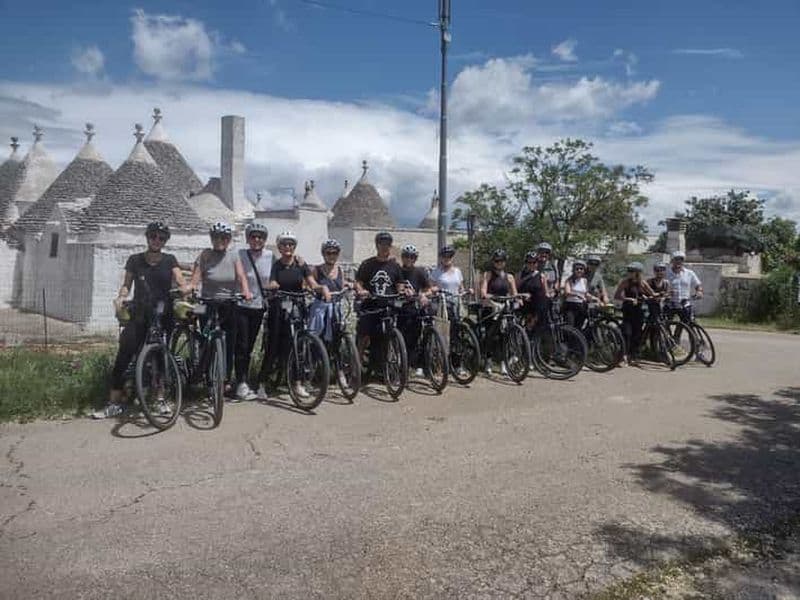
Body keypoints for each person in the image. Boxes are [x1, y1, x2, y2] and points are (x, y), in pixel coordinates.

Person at [93, 222, 188, 419]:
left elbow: (179, 280)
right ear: (147, 237)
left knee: (161, 355)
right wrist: (121, 297)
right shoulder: (135, 260)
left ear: (165, 241)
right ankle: (114, 402)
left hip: (163, 312)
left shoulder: (170, 260)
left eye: (161, 238)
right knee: (125, 353)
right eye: (153, 236)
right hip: (140, 311)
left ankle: (160, 399)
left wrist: (185, 289)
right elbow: (126, 285)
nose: (157, 240)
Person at [189, 221, 252, 395]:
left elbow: (241, 276)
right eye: (216, 237)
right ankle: (207, 378)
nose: (220, 240)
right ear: (211, 238)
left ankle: (224, 380)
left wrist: (246, 291)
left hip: (229, 303)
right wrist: (193, 287)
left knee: (229, 344)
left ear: (229, 239)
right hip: (207, 302)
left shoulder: (233, 256)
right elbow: (196, 278)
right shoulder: (205, 255)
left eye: (224, 237)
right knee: (207, 340)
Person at [264, 231, 329, 398]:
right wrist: (273, 285)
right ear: (279, 247)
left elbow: (312, 283)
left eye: (291, 244)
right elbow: (272, 281)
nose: (288, 247)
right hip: (280, 306)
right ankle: (262, 381)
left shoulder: (301, 264)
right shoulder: (277, 265)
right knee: (274, 344)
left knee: (298, 345)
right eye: (284, 244)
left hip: (298, 306)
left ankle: (297, 382)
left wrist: (321, 288)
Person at [233, 222, 272, 402]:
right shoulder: (239, 254)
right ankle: (240, 382)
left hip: (258, 307)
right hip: (241, 306)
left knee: (250, 346)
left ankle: (244, 380)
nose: (257, 240)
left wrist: (301, 263)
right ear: (248, 238)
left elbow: (283, 268)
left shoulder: (270, 256)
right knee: (241, 345)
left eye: (260, 237)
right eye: (253, 236)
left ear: (265, 240)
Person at [354, 230, 404, 362]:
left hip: (388, 305)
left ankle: (390, 364)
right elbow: (358, 283)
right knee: (364, 334)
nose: (384, 247)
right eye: (382, 244)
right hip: (371, 305)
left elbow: (399, 284)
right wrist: (361, 291)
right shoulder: (367, 264)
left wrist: (403, 291)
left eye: (387, 244)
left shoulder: (395, 266)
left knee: (391, 333)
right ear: (377, 245)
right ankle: (356, 366)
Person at [480, 249, 520, 374]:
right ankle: (488, 361)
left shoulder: (509, 277)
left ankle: (504, 362)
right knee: (490, 336)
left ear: (505, 262)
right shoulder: (488, 275)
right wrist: (487, 296)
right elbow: (483, 291)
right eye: (497, 261)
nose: (499, 263)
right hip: (491, 307)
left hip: (504, 307)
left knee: (505, 336)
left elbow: (514, 293)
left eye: (501, 261)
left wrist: (518, 299)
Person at [397, 244, 433, 377]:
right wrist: (402, 291)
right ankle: (400, 366)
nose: (409, 259)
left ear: (415, 258)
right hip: (400, 308)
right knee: (401, 338)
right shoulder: (398, 271)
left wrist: (423, 295)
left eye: (412, 257)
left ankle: (412, 365)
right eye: (406, 256)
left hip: (414, 308)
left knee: (414, 338)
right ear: (402, 257)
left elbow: (428, 289)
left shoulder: (420, 272)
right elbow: (396, 287)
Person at [614, 261, 655, 365]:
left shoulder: (643, 283)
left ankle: (633, 356)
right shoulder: (625, 282)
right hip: (628, 310)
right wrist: (628, 299)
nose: (629, 273)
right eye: (629, 271)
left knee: (637, 334)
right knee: (627, 333)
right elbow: (617, 295)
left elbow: (652, 294)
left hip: (639, 311)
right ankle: (623, 356)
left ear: (638, 272)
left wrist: (652, 296)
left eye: (632, 271)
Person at [308, 239, 348, 344]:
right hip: (321, 306)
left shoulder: (340, 270)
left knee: (338, 332)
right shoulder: (316, 270)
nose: (332, 256)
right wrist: (321, 288)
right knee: (317, 335)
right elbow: (311, 285)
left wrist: (350, 285)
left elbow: (342, 285)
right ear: (323, 254)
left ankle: (336, 356)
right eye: (328, 253)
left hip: (337, 307)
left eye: (335, 253)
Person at [517, 250, 549, 330]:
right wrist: (521, 296)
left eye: (534, 262)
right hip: (525, 304)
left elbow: (546, 292)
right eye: (529, 262)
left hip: (538, 305)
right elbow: (514, 291)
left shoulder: (541, 276)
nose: (531, 264)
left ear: (537, 263)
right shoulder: (520, 275)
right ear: (526, 263)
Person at [667, 251, 703, 321]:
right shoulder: (666, 273)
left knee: (685, 323)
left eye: (681, 259)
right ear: (672, 261)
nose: (678, 261)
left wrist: (699, 291)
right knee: (666, 324)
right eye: (676, 259)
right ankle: (667, 332)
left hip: (684, 303)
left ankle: (678, 332)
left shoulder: (689, 273)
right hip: (670, 303)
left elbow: (698, 285)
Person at [563, 259, 596, 330]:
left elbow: (586, 293)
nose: (579, 270)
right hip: (571, 306)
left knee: (579, 327)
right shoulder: (569, 280)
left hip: (581, 306)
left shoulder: (584, 281)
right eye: (577, 269)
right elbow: (567, 292)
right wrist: (577, 295)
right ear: (574, 270)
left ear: (584, 270)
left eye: (581, 269)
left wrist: (594, 298)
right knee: (570, 327)